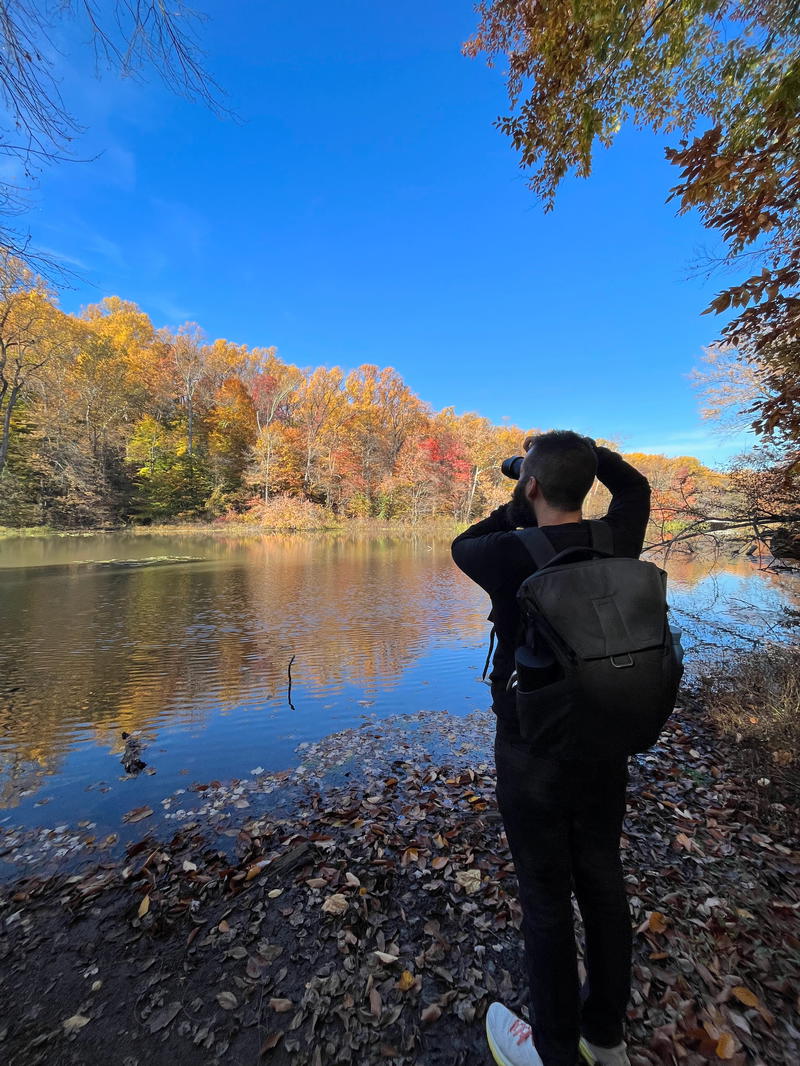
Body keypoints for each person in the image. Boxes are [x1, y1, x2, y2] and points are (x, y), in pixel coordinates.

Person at [451, 430, 651, 1066]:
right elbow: (635, 486)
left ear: (530, 486)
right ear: (588, 481)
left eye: (526, 480)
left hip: (530, 746)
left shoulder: (506, 552)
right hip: (605, 736)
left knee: (544, 898)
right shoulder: (617, 536)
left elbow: (462, 543)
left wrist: (520, 487)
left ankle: (555, 1050)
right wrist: (590, 455)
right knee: (600, 876)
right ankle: (606, 1038)